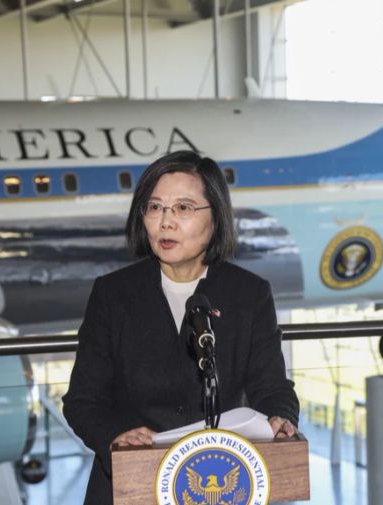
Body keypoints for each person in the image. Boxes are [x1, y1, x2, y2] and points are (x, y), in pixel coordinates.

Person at [62, 150, 299, 505]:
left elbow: (272, 387)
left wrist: (282, 418)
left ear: (216, 217)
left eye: (184, 208)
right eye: (155, 207)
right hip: (131, 487)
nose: (165, 222)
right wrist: (116, 436)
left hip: (219, 484)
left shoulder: (249, 294)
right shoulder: (113, 294)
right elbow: (82, 401)